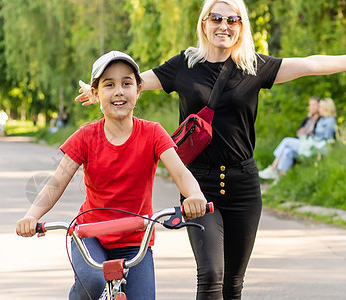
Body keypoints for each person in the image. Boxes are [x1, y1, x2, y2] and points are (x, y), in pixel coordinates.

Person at [74, 1, 346, 298]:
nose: (224, 26)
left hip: (243, 185)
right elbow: (133, 82)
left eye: (232, 20)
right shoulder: (184, 65)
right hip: (199, 185)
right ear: (204, 23)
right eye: (217, 19)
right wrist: (98, 87)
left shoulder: (253, 66)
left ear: (241, 26)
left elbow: (308, 64)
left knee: (233, 285)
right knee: (210, 275)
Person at [16, 51, 208, 299]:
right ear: (95, 94)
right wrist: (31, 217)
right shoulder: (85, 137)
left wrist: (194, 195)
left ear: (138, 90)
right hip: (90, 236)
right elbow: (56, 183)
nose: (119, 91)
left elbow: (180, 172)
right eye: (109, 85)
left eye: (126, 83)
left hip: (136, 238)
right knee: (93, 282)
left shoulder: (153, 133)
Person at [259, 97, 337, 180]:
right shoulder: (321, 119)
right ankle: (280, 179)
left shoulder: (330, 121)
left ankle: (273, 168)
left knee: (286, 141)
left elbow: (327, 139)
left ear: (326, 108)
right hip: (310, 143)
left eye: (320, 107)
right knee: (287, 151)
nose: (319, 109)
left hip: (316, 146)